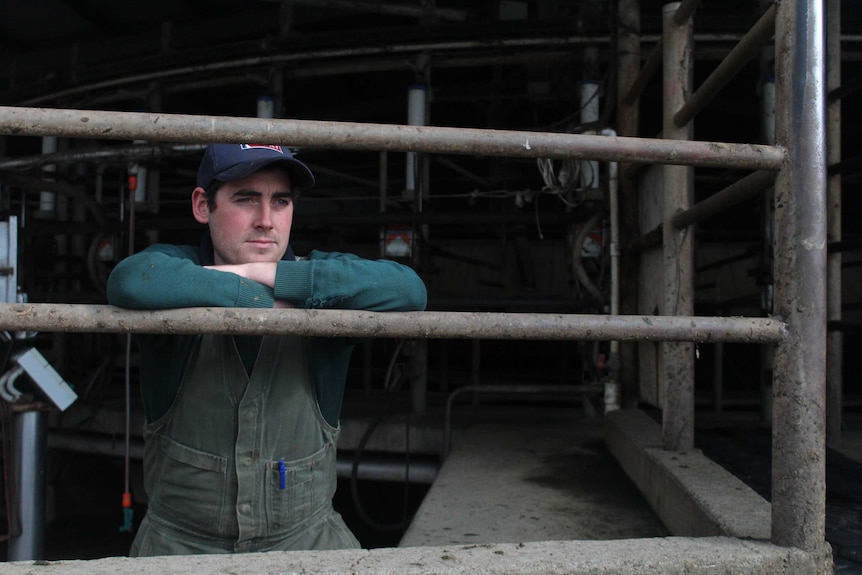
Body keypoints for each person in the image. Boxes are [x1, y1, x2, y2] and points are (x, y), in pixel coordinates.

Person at [106, 143, 427, 556]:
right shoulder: (176, 270)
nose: (266, 221)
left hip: (307, 544)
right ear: (203, 206)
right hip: (179, 548)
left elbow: (408, 289)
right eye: (246, 199)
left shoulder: (320, 281)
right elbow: (131, 280)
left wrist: (261, 273)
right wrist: (254, 296)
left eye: (281, 201)